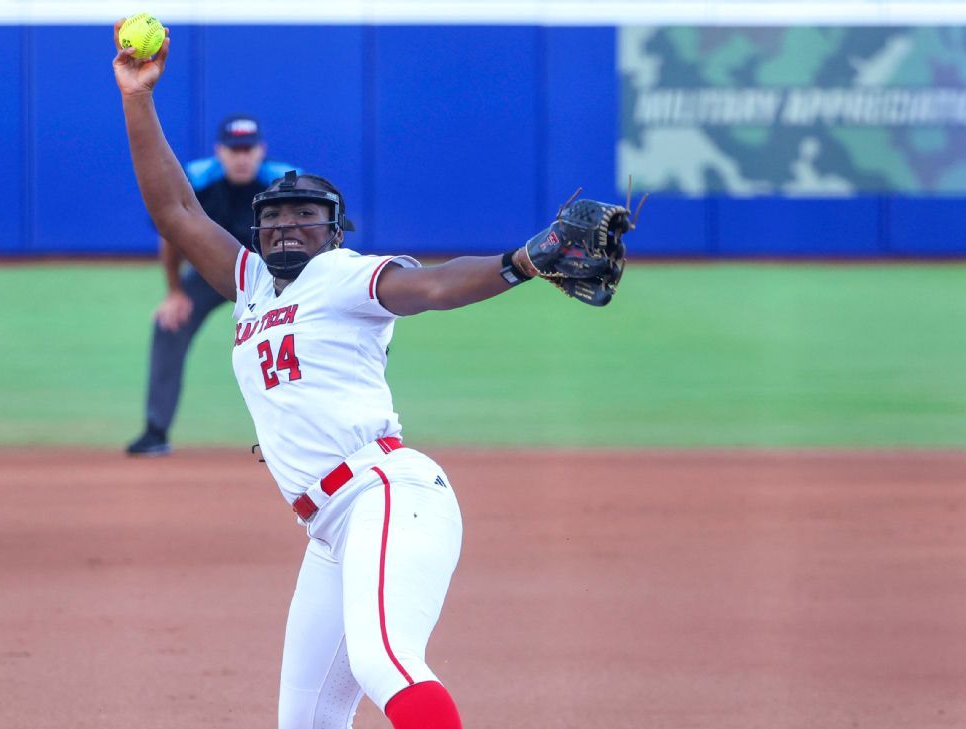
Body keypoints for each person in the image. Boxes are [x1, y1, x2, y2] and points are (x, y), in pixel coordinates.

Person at [112, 21, 629, 729]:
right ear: (259, 232)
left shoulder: (344, 276)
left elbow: (436, 285)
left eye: (307, 218)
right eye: (278, 218)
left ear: (334, 232)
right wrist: (138, 98)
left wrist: (523, 260)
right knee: (307, 720)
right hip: (329, 527)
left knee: (386, 660)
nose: (290, 227)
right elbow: (173, 209)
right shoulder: (251, 281)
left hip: (384, 495)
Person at [126, 113, 296, 456]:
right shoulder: (196, 179)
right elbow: (172, 235)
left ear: (262, 150)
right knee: (169, 325)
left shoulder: (287, 183)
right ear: (220, 151)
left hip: (274, 277)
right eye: (235, 149)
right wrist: (174, 292)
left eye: (249, 149)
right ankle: (155, 431)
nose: (242, 157)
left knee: (301, 337)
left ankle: (301, 435)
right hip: (213, 272)